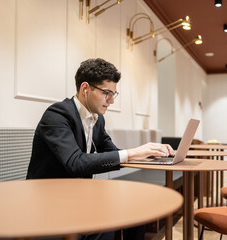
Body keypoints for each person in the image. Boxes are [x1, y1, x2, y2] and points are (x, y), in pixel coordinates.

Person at [26, 58, 174, 240]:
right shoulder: (57, 115)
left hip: (77, 198)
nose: (111, 100)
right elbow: (75, 163)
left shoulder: (97, 119)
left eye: (114, 94)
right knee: (107, 221)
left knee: (137, 210)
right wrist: (134, 152)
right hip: (49, 202)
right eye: (106, 93)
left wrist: (150, 154)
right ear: (85, 88)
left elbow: (113, 152)